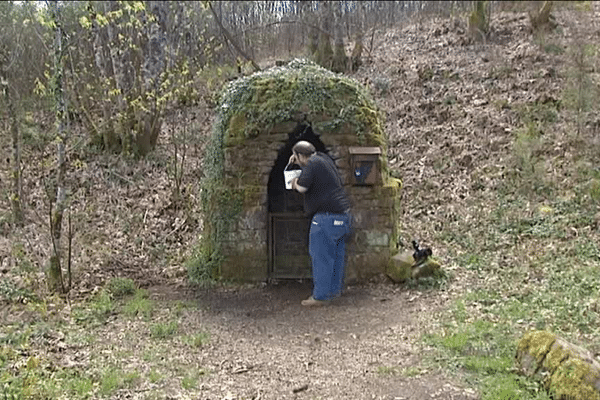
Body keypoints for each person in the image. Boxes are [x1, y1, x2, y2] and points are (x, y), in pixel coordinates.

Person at [288, 141, 352, 307]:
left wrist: (293, 181)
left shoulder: (311, 164)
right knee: (336, 257)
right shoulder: (322, 159)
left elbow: (301, 188)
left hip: (326, 218)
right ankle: (334, 292)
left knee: (321, 257)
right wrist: (298, 163)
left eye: (295, 156)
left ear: (301, 155)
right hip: (343, 216)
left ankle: (321, 297)